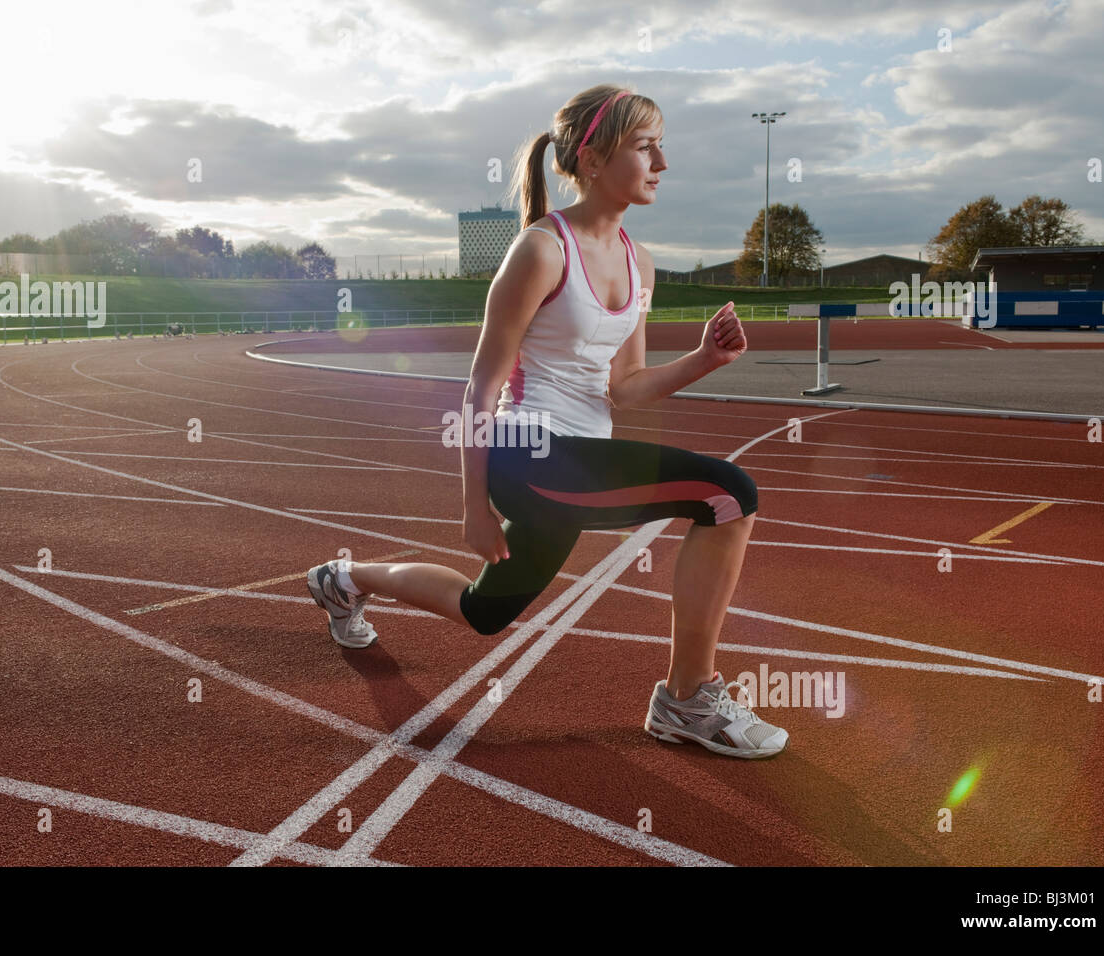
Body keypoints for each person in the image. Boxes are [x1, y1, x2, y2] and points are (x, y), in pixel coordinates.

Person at [308, 84, 787, 758]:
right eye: (646, 146)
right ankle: (687, 700)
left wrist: (704, 359)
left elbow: (625, 389)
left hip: (578, 464)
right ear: (592, 160)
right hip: (525, 454)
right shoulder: (541, 249)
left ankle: (345, 580)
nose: (663, 162)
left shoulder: (639, 262)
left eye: (661, 146)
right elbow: (482, 384)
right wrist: (472, 505)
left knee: (485, 611)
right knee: (728, 494)